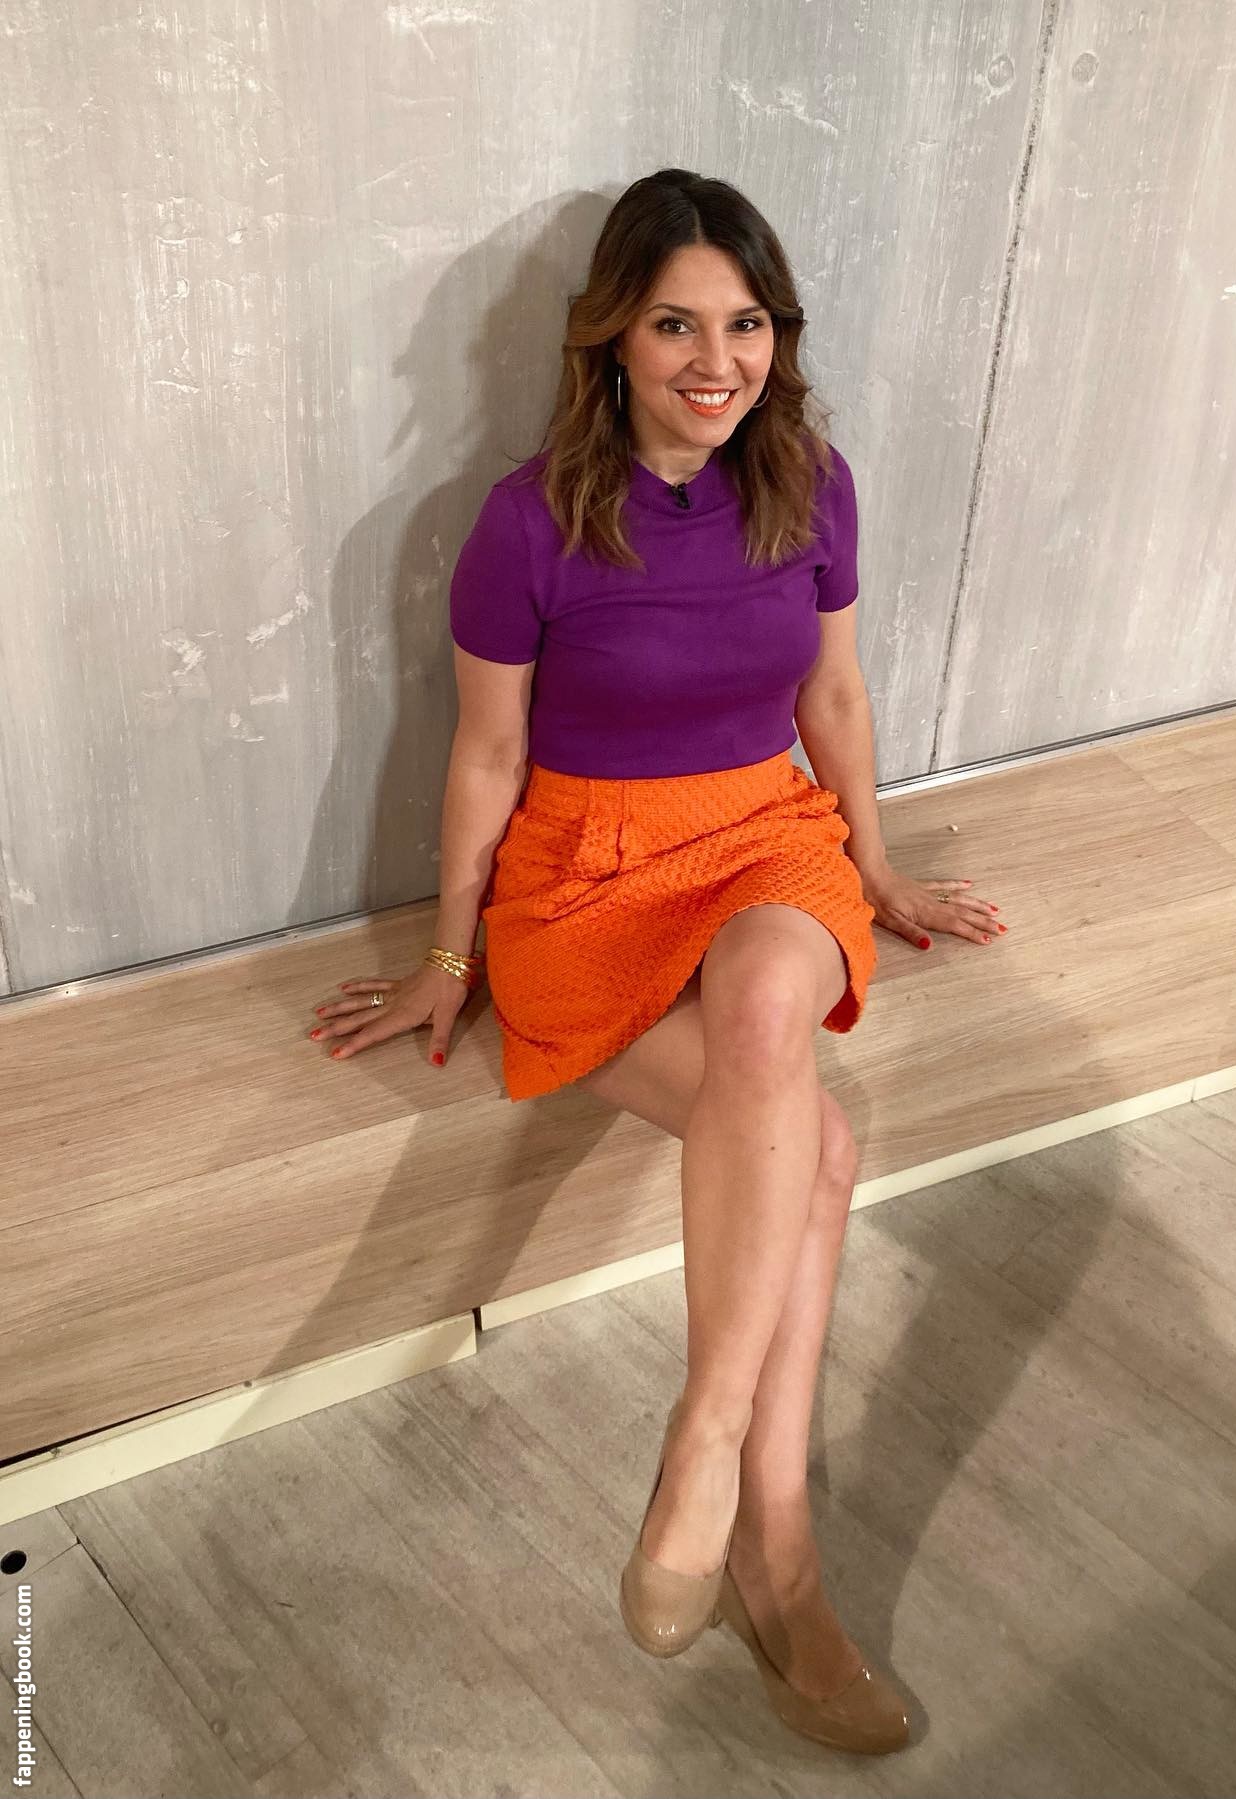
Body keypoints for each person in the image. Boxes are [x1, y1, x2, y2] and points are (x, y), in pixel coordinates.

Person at [310, 167, 1004, 1756]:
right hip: (585, 875)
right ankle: (779, 1554)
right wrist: (448, 952)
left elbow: (833, 701)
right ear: (612, 337)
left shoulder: (812, 485)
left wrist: (875, 863)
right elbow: (488, 756)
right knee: (817, 1149)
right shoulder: (526, 521)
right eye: (677, 324)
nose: (717, 359)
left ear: (778, 337)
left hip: (764, 836)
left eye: (746, 323)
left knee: (767, 997)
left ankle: (707, 1445)